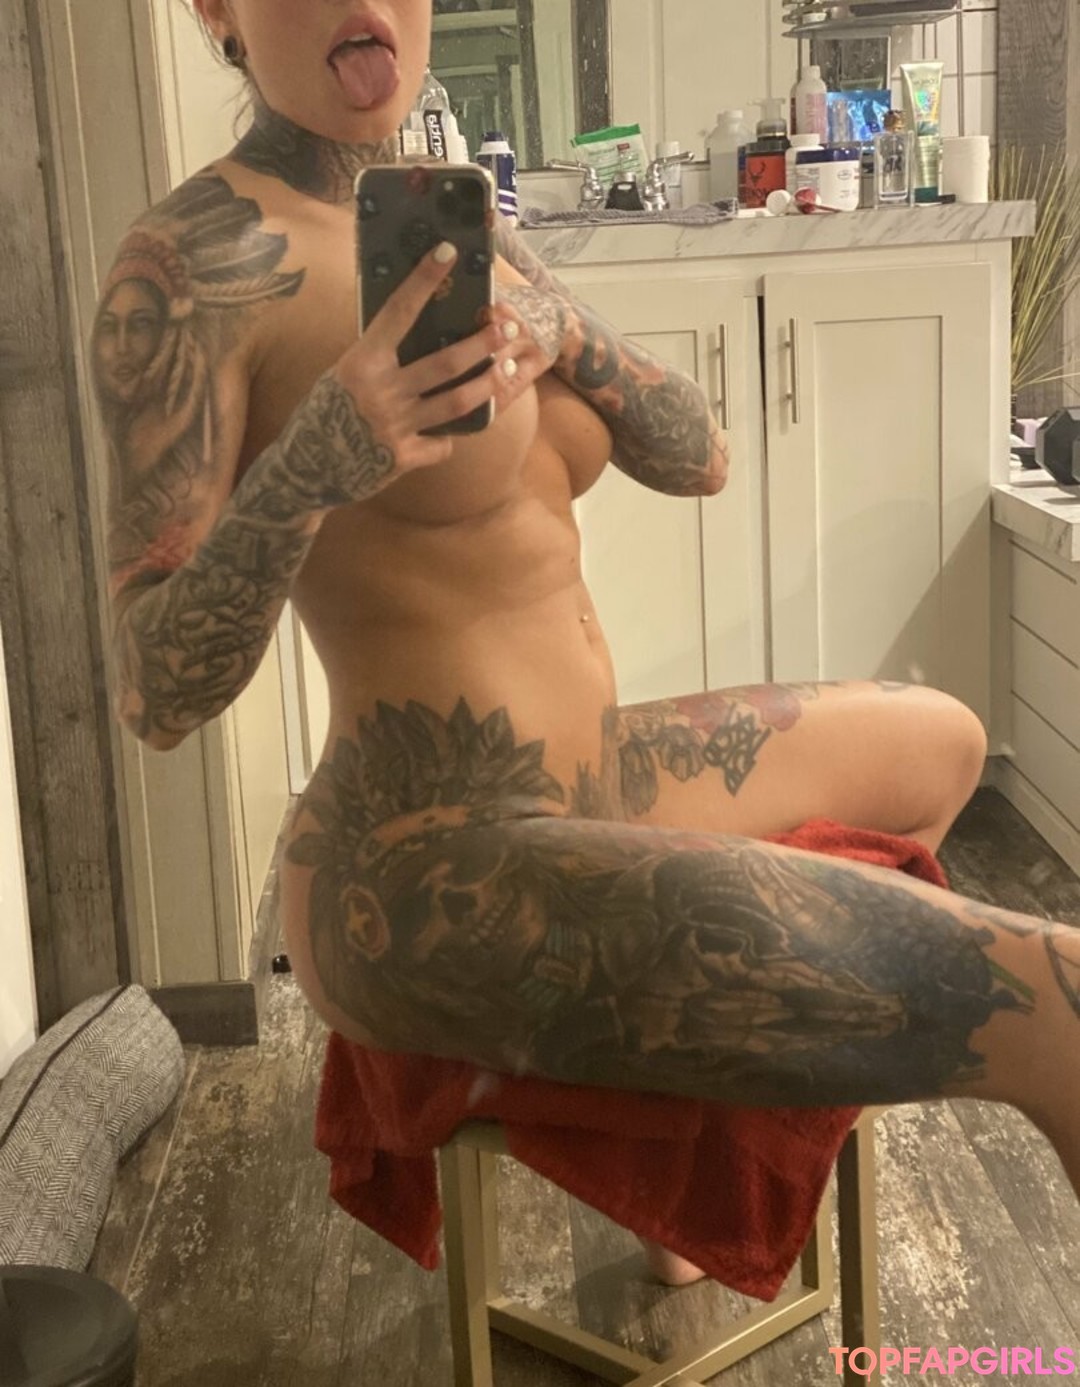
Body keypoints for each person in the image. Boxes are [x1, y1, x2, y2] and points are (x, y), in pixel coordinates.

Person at [94, 0, 1080, 1289]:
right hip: (421, 868)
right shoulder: (189, 270)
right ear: (217, 9)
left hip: (594, 777)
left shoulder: (461, 226)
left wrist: (571, 334)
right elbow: (154, 693)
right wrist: (315, 463)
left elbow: (703, 456)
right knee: (1055, 999)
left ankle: (684, 1167)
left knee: (940, 743)